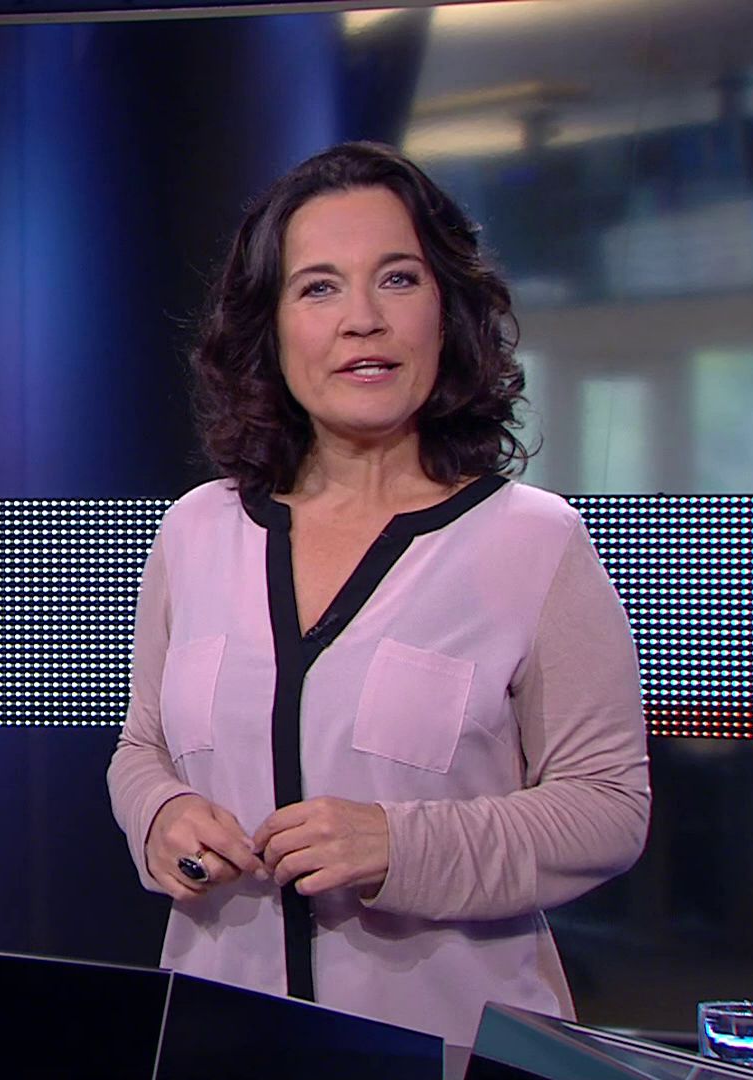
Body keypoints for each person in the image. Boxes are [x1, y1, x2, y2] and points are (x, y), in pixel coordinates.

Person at [106, 141, 650, 1047]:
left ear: (446, 310)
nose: (363, 319)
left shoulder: (534, 540)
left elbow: (606, 809)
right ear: (272, 329)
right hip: (217, 1036)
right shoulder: (196, 530)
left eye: (397, 279)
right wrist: (159, 814)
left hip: (451, 1047)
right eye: (319, 288)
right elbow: (144, 747)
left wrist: (400, 844)